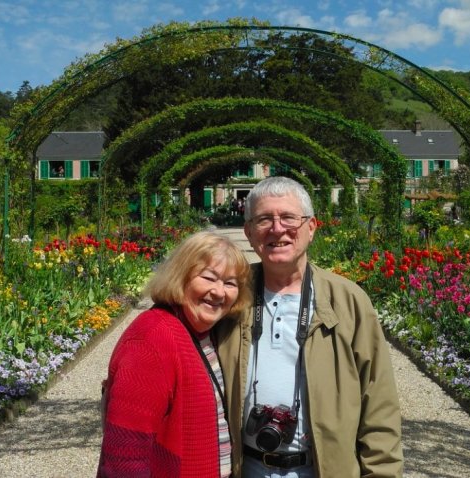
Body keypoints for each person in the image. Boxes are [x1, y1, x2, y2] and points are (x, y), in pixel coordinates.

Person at [215, 176, 403, 477]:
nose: (278, 229)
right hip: (244, 468)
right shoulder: (228, 295)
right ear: (249, 232)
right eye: (264, 219)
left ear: (311, 227)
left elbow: (378, 404)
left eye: (289, 217)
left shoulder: (348, 300)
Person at [97, 231, 252, 478]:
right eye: (209, 278)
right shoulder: (152, 338)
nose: (219, 292)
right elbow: (124, 458)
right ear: (181, 276)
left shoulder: (204, 332)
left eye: (230, 283)